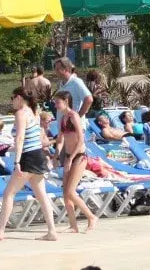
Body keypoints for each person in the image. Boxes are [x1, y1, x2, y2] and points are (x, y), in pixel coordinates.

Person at [0, 88, 58, 241]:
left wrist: (17, 161)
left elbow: (20, 139)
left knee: (9, 193)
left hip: (27, 157)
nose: (12, 102)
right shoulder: (33, 112)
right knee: (42, 195)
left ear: (18, 97)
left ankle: (0, 231)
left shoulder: (21, 113)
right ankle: (52, 231)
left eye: (12, 98)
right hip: (38, 155)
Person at [53, 91, 97, 233]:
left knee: (71, 191)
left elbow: (81, 140)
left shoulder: (74, 116)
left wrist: (71, 158)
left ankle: (91, 217)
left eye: (57, 102)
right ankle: (73, 225)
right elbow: (61, 139)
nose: (55, 105)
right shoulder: (62, 119)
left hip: (78, 156)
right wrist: (57, 154)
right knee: (65, 193)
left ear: (66, 101)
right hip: (68, 156)